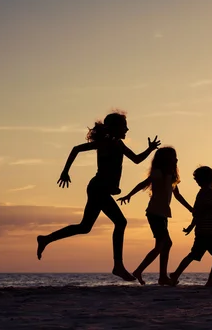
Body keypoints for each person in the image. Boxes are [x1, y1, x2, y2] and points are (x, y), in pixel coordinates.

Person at [36, 111, 160, 281]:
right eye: (124, 126)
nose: (127, 129)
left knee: (84, 227)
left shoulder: (119, 144)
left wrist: (150, 149)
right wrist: (65, 171)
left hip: (98, 189)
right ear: (114, 127)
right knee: (120, 222)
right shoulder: (106, 143)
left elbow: (137, 159)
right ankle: (118, 266)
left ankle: (45, 239)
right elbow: (76, 149)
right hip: (98, 188)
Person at [117, 147, 193, 285]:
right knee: (164, 244)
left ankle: (162, 276)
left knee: (165, 244)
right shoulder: (158, 173)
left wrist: (191, 209)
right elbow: (143, 184)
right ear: (165, 160)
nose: (176, 160)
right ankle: (141, 271)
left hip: (163, 214)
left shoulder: (172, 176)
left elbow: (177, 196)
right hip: (154, 213)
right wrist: (129, 195)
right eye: (173, 157)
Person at [170, 166, 212, 287]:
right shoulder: (209, 192)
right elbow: (201, 211)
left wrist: (192, 226)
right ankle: (210, 282)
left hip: (202, 231)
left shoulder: (201, 194)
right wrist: (193, 224)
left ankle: (175, 274)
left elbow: (198, 212)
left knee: (194, 254)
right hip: (209, 232)